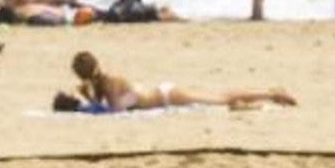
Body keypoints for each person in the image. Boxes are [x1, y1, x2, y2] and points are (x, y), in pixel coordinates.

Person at [57, 51, 297, 113]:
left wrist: (87, 100)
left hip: (167, 96)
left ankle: (271, 94)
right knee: (221, 98)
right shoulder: (101, 84)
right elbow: (104, 106)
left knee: (223, 99)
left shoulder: (109, 82)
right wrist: (88, 97)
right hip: (163, 94)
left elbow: (114, 111)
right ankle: (267, 95)